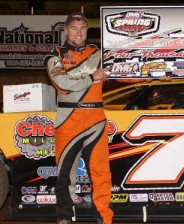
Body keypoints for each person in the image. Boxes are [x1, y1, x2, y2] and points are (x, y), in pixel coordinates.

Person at [46, 12, 113, 224]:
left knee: (101, 174)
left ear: (87, 30)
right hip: (68, 120)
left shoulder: (99, 53)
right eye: (74, 28)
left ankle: (105, 217)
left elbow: (123, 70)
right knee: (65, 175)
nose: (79, 32)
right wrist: (92, 77)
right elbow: (63, 84)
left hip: (96, 119)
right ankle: (64, 218)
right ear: (65, 30)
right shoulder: (54, 55)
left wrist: (152, 74)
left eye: (83, 28)